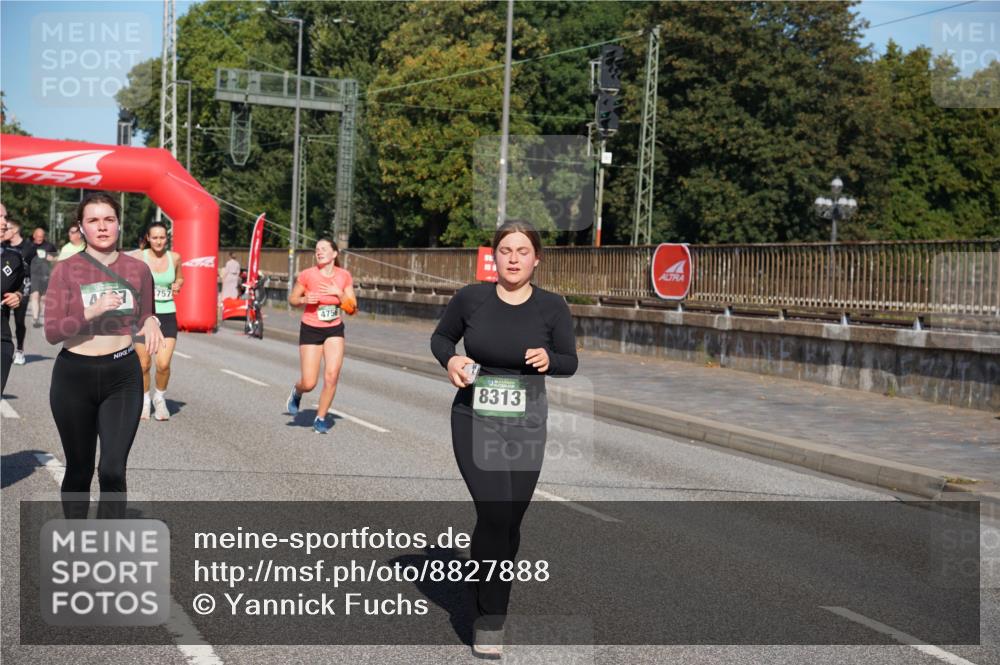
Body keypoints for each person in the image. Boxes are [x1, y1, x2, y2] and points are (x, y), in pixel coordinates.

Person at [430, 220, 578, 658]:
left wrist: (551, 358)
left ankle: (486, 578)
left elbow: (571, 361)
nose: (513, 258)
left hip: (527, 423)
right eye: (506, 250)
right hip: (475, 416)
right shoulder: (471, 298)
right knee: (495, 512)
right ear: (494, 256)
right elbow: (440, 338)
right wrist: (451, 360)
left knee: (508, 523)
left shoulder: (552, 308)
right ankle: (490, 619)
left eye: (522, 251)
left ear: (537, 259)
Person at [44, 192, 163, 518]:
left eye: (108, 219)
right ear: (81, 227)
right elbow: (53, 332)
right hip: (73, 377)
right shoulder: (66, 270)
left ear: (118, 223)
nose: (102, 226)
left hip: (121, 375)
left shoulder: (138, 269)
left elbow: (143, 315)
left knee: (112, 469)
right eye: (93, 220)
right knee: (80, 470)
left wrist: (150, 320)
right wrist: (92, 311)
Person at [285, 237, 357, 433]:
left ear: (334, 253)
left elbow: (352, 308)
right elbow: (292, 299)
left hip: (334, 329)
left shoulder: (344, 276)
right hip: (311, 328)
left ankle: (320, 417)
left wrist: (339, 293)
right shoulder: (308, 275)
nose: (319, 251)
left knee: (332, 376)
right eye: (317, 249)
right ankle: (297, 391)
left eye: (324, 248)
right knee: (309, 382)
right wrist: (304, 299)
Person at [135, 221, 183, 421]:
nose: (158, 241)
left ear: (167, 238)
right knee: (144, 364)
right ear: (148, 238)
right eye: (154, 237)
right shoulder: (139, 257)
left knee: (163, 363)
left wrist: (177, 285)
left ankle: (159, 398)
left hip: (167, 314)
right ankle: (144, 400)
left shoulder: (175, 257)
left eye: (162, 237)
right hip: (143, 316)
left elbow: (180, 278)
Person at [1, 204, 25, 394]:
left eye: (5, 217)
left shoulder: (14, 258)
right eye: (0, 218)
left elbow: (20, 286)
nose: (4, 223)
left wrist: (17, 296)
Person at [0, 215, 31, 365]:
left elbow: (32, 269)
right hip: (7, 291)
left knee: (19, 321)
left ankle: (19, 349)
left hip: (23, 287)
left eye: (8, 226)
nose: (5, 226)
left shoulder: (27, 248)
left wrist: (19, 293)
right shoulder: (4, 248)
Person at [27, 227, 57, 327]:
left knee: (43, 298)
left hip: (46, 275)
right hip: (33, 274)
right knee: (35, 295)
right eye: (38, 236)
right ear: (34, 236)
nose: (40, 238)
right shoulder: (29, 245)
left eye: (42, 236)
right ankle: (35, 318)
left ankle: (41, 316)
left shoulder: (49, 246)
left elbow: (57, 258)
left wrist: (52, 258)